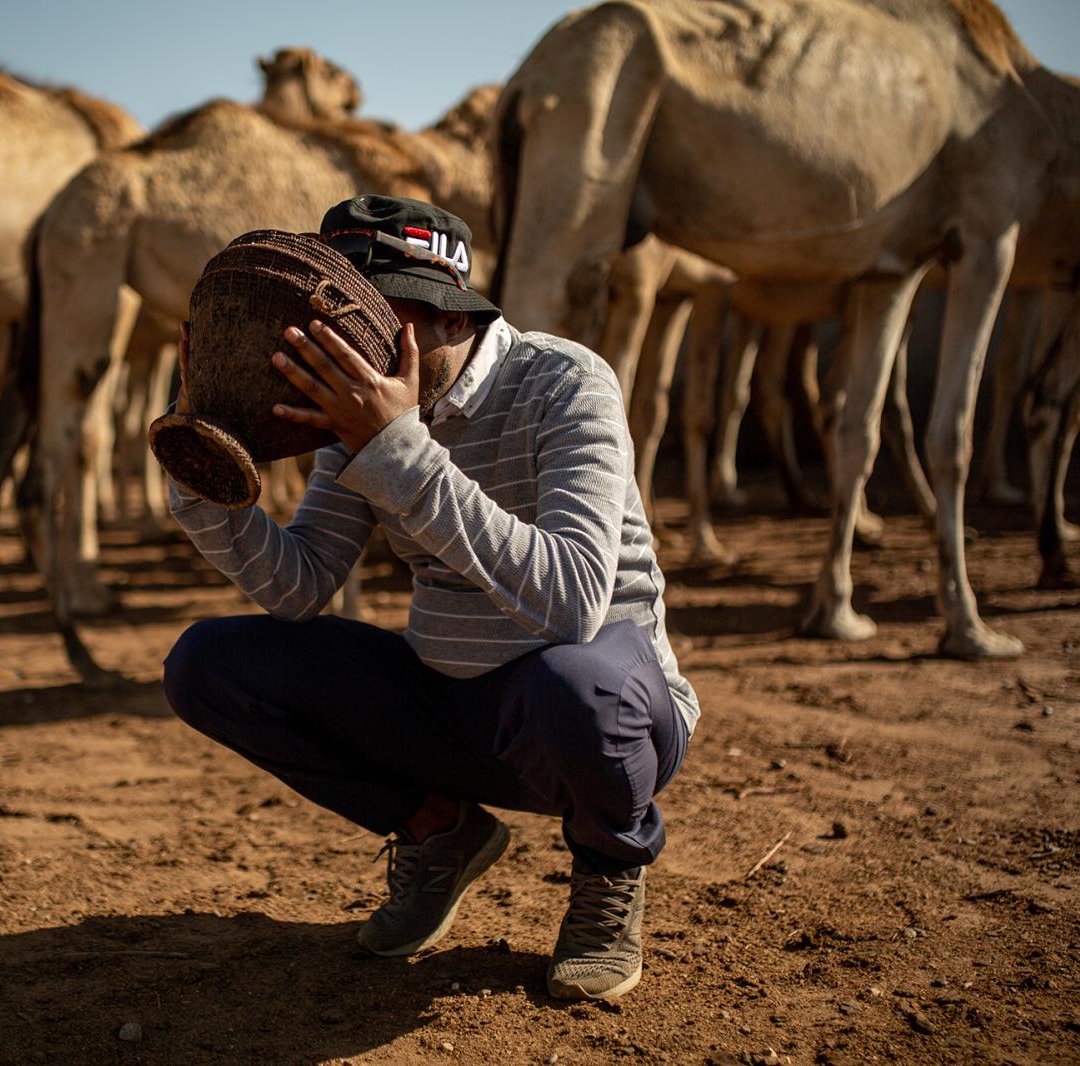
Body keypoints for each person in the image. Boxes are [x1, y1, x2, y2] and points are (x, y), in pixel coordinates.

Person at [161, 195, 698, 1001]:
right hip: (454, 708)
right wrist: (204, 474)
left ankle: (609, 868)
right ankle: (438, 832)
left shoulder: (564, 381)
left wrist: (399, 451)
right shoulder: (365, 416)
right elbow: (301, 585)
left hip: (592, 717)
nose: (349, 346)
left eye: (375, 317)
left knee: (577, 685)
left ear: (447, 319)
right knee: (210, 663)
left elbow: (576, 601)